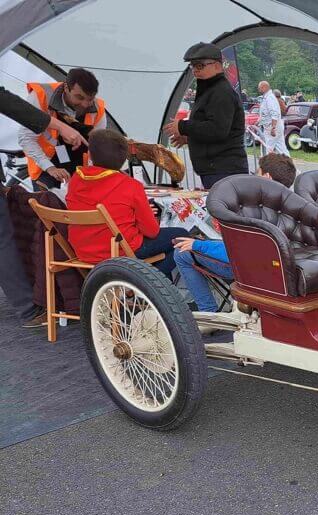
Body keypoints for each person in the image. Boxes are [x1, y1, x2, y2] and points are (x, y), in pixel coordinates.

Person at [0, 86, 88, 327]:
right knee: (2, 240)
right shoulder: (41, 96)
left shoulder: (97, 109)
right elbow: (7, 102)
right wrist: (60, 127)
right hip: (48, 172)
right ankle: (28, 310)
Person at [172, 153, 297, 312]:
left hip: (248, 270)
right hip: (276, 272)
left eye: (256, 173)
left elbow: (236, 253)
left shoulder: (254, 210)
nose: (253, 178)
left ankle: (208, 311)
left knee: (181, 252)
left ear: (266, 177)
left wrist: (198, 245)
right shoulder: (294, 207)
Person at [66, 129, 186, 278]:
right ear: (124, 158)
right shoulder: (130, 185)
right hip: (119, 250)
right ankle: (144, 285)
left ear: (89, 155)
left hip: (83, 251)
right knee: (182, 237)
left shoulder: (75, 180)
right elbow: (152, 231)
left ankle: (137, 285)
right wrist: (142, 213)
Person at [163, 42, 248, 190]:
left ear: (216, 65)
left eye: (200, 65)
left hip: (224, 170)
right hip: (217, 169)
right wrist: (190, 138)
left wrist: (183, 126)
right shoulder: (211, 90)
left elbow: (218, 130)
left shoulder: (221, 92)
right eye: (192, 66)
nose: (195, 70)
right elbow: (214, 129)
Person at [18, 68, 106, 189]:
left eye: (90, 99)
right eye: (79, 97)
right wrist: (50, 168)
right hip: (46, 163)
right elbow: (26, 138)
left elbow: (99, 146)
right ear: (66, 87)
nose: (85, 104)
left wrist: (92, 173)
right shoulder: (41, 96)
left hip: (81, 166)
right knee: (46, 202)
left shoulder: (99, 108)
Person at [257, 80, 289, 156]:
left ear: (264, 87)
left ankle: (264, 166)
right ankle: (290, 165)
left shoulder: (270, 98)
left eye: (260, 88)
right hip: (274, 127)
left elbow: (274, 113)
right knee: (282, 150)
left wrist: (273, 128)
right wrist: (259, 121)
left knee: (266, 149)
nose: (258, 90)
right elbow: (266, 113)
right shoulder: (267, 97)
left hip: (272, 128)